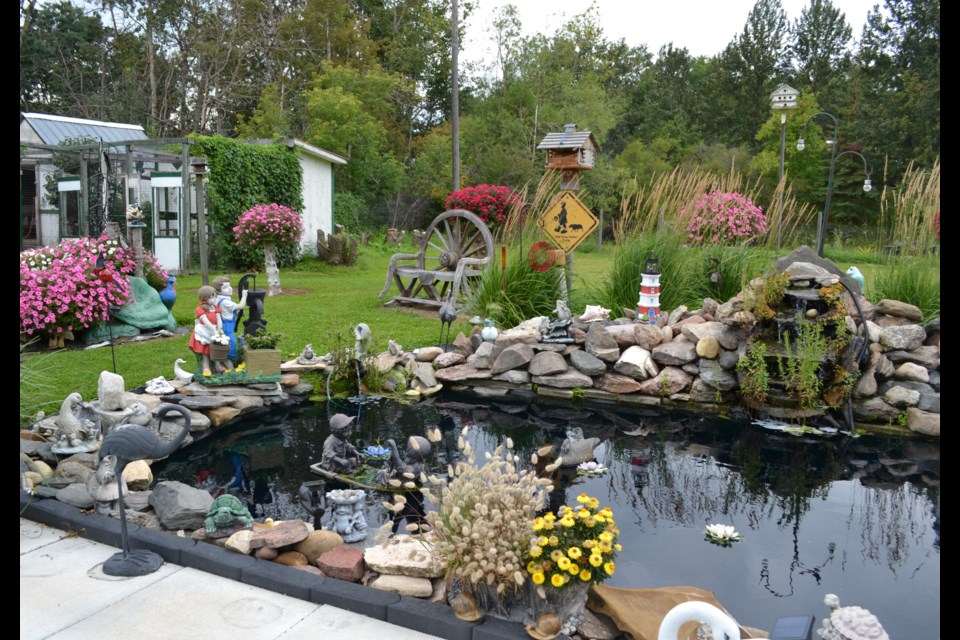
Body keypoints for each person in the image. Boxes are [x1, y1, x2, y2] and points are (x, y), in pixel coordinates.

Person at [212, 275, 248, 370]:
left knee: (229, 345)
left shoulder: (222, 299)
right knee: (231, 346)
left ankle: (226, 364)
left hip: (227, 325)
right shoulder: (225, 302)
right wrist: (244, 296)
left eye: (229, 286)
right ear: (218, 291)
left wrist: (235, 312)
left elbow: (231, 310)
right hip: (227, 327)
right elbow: (240, 306)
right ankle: (229, 367)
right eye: (225, 287)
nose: (229, 289)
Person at [188, 285, 223, 376]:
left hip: (214, 328)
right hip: (205, 330)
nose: (214, 299)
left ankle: (217, 364)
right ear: (205, 298)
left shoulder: (215, 308)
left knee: (216, 348)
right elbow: (205, 321)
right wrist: (213, 330)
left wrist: (219, 329)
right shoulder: (200, 309)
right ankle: (206, 366)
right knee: (205, 350)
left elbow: (219, 319)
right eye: (212, 297)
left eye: (214, 296)